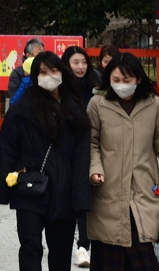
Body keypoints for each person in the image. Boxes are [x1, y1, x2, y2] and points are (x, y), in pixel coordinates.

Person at [0, 51, 91, 271]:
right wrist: (0, 190)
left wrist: (81, 197)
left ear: (62, 73)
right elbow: (6, 150)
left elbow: (82, 158)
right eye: (43, 71)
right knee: (30, 248)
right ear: (35, 76)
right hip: (29, 189)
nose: (49, 76)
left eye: (54, 70)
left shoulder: (75, 111)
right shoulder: (21, 110)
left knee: (61, 253)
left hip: (64, 192)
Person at [87, 52, 159, 271]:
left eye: (127, 80)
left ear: (138, 79)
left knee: (141, 255)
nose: (121, 85)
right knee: (108, 252)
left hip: (144, 189)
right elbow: (90, 144)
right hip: (107, 190)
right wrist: (95, 170)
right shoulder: (97, 104)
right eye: (116, 80)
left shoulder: (153, 105)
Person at [61, 45, 100, 267]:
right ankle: (78, 245)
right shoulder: (61, 88)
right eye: (76, 62)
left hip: (93, 146)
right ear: (67, 64)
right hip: (69, 150)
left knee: (90, 198)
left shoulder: (96, 86)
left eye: (84, 62)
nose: (81, 67)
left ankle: (85, 245)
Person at [9, 38, 45, 106]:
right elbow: (14, 98)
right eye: (39, 52)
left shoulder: (46, 71)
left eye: (43, 51)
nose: (42, 54)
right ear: (28, 55)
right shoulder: (17, 73)